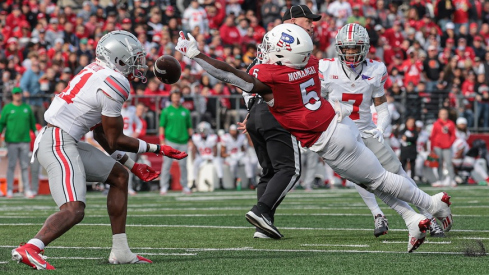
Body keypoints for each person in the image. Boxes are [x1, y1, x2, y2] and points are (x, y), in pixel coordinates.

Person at [175, 24, 453, 253]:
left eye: (271, 50)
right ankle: (412, 218)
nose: (266, 53)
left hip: (330, 141)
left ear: (284, 55)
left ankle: (433, 204)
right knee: (372, 179)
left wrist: (197, 56)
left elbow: (230, 75)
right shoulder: (310, 62)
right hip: (340, 125)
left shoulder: (272, 75)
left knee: (379, 179)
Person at [11, 30, 188, 270]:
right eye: (134, 57)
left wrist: (132, 165)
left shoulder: (98, 71)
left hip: (63, 139)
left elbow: (101, 134)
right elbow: (115, 139)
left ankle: (121, 251)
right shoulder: (115, 80)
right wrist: (157, 148)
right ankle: (31, 248)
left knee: (119, 176)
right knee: (74, 210)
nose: (139, 63)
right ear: (118, 58)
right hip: (57, 141)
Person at [319, 23, 445, 238]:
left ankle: (429, 215)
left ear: (365, 48)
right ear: (339, 48)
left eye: (355, 48)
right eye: (346, 48)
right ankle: (378, 214)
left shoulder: (375, 69)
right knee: (363, 179)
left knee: (397, 172)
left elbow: (382, 107)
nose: (350, 53)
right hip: (341, 133)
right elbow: (315, 101)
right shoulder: (326, 68)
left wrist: (380, 128)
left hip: (367, 130)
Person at [242, 5, 321, 239]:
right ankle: (261, 211)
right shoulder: (293, 45)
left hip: (257, 111)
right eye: (308, 21)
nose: (312, 25)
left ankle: (263, 227)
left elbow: (249, 75)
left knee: (268, 172)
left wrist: (251, 109)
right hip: (277, 111)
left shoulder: (270, 42)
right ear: (294, 22)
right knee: (289, 169)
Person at [0, 87, 37, 198]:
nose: (17, 95)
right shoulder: (7, 108)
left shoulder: (27, 108)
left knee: (25, 166)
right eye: (15, 94)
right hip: (11, 141)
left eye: (19, 94)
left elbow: (33, 124)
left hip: (25, 140)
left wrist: (36, 136)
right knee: (11, 165)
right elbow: (2, 123)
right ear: (13, 95)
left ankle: (27, 189)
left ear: (21, 95)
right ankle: (9, 189)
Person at [159, 90, 193, 195]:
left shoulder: (186, 111)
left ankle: (185, 186)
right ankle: (163, 186)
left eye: (178, 97)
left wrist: (190, 140)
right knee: (166, 165)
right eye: (174, 97)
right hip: (170, 141)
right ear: (171, 98)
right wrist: (162, 141)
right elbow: (162, 127)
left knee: (183, 165)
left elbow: (189, 127)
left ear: (180, 98)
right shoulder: (166, 111)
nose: (176, 99)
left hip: (183, 141)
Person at [191, 121, 224, 190]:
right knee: (195, 163)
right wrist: (193, 158)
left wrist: (211, 158)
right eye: (200, 130)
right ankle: (194, 182)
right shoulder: (196, 137)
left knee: (218, 161)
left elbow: (215, 151)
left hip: (211, 156)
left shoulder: (212, 137)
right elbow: (194, 149)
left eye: (204, 130)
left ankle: (220, 181)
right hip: (202, 156)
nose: (202, 131)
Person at [121, 98, 143, 195]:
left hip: (128, 140)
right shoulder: (115, 109)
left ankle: (129, 188)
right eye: (125, 100)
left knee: (129, 165)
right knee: (115, 165)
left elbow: (139, 124)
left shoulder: (131, 111)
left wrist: (136, 134)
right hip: (117, 140)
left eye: (128, 101)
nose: (126, 103)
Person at [430, 108, 457, 187]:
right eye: (442, 114)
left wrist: (450, 143)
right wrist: (432, 147)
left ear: (447, 115)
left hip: (447, 146)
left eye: (445, 113)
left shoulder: (451, 123)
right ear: (439, 115)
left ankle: (452, 180)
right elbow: (433, 136)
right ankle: (440, 180)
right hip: (438, 146)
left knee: (449, 163)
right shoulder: (436, 123)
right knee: (438, 163)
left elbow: (453, 135)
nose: (444, 115)